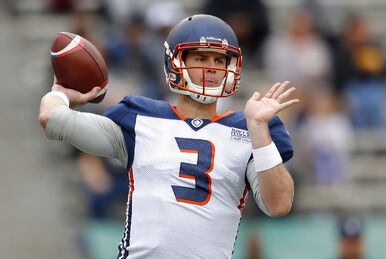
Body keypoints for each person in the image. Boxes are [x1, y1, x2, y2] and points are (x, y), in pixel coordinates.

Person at [39, 14, 299, 258]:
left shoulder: (249, 129)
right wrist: (62, 92)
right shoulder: (140, 118)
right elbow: (53, 119)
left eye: (219, 60)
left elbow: (278, 204)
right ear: (175, 62)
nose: (211, 68)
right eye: (200, 58)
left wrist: (259, 130)